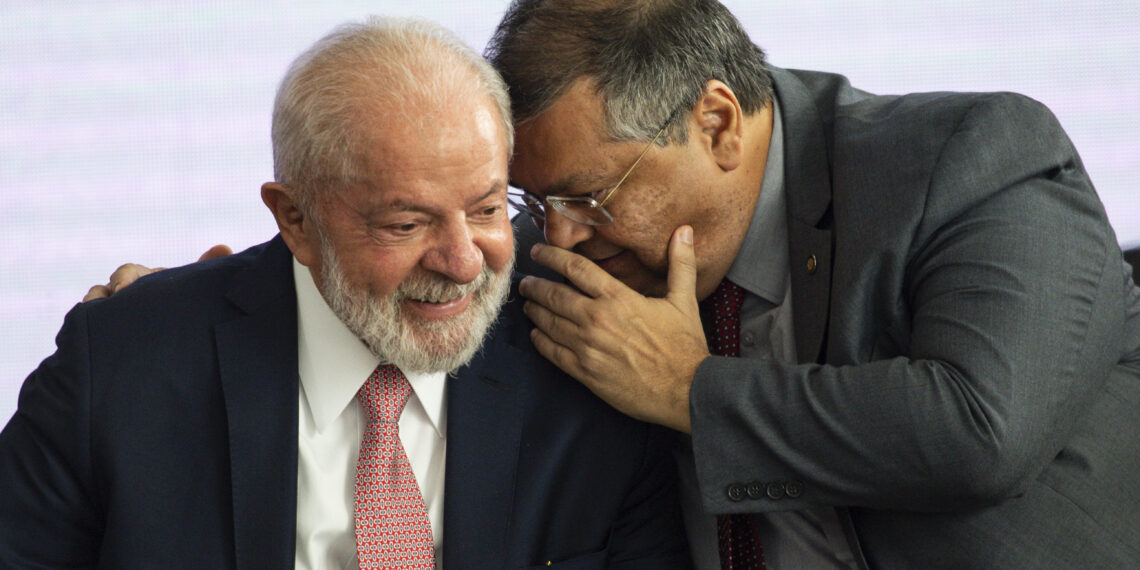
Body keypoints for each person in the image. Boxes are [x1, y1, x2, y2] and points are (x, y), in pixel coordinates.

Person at [0, 17, 691, 569]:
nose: (461, 262)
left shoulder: (588, 364)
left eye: (485, 209)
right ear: (294, 219)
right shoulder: (122, 368)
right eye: (407, 222)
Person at [485, 0, 1140, 568]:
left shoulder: (970, 159)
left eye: (590, 197)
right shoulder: (565, 270)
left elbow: (977, 436)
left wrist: (689, 391)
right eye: (537, 202)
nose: (559, 239)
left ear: (716, 124)